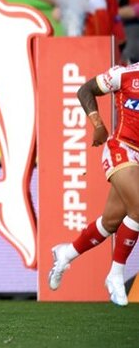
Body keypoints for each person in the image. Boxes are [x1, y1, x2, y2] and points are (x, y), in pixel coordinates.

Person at [48, 62, 139, 306]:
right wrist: (98, 124)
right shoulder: (125, 75)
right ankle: (116, 274)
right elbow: (84, 90)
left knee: (110, 222)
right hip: (121, 148)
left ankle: (65, 254)